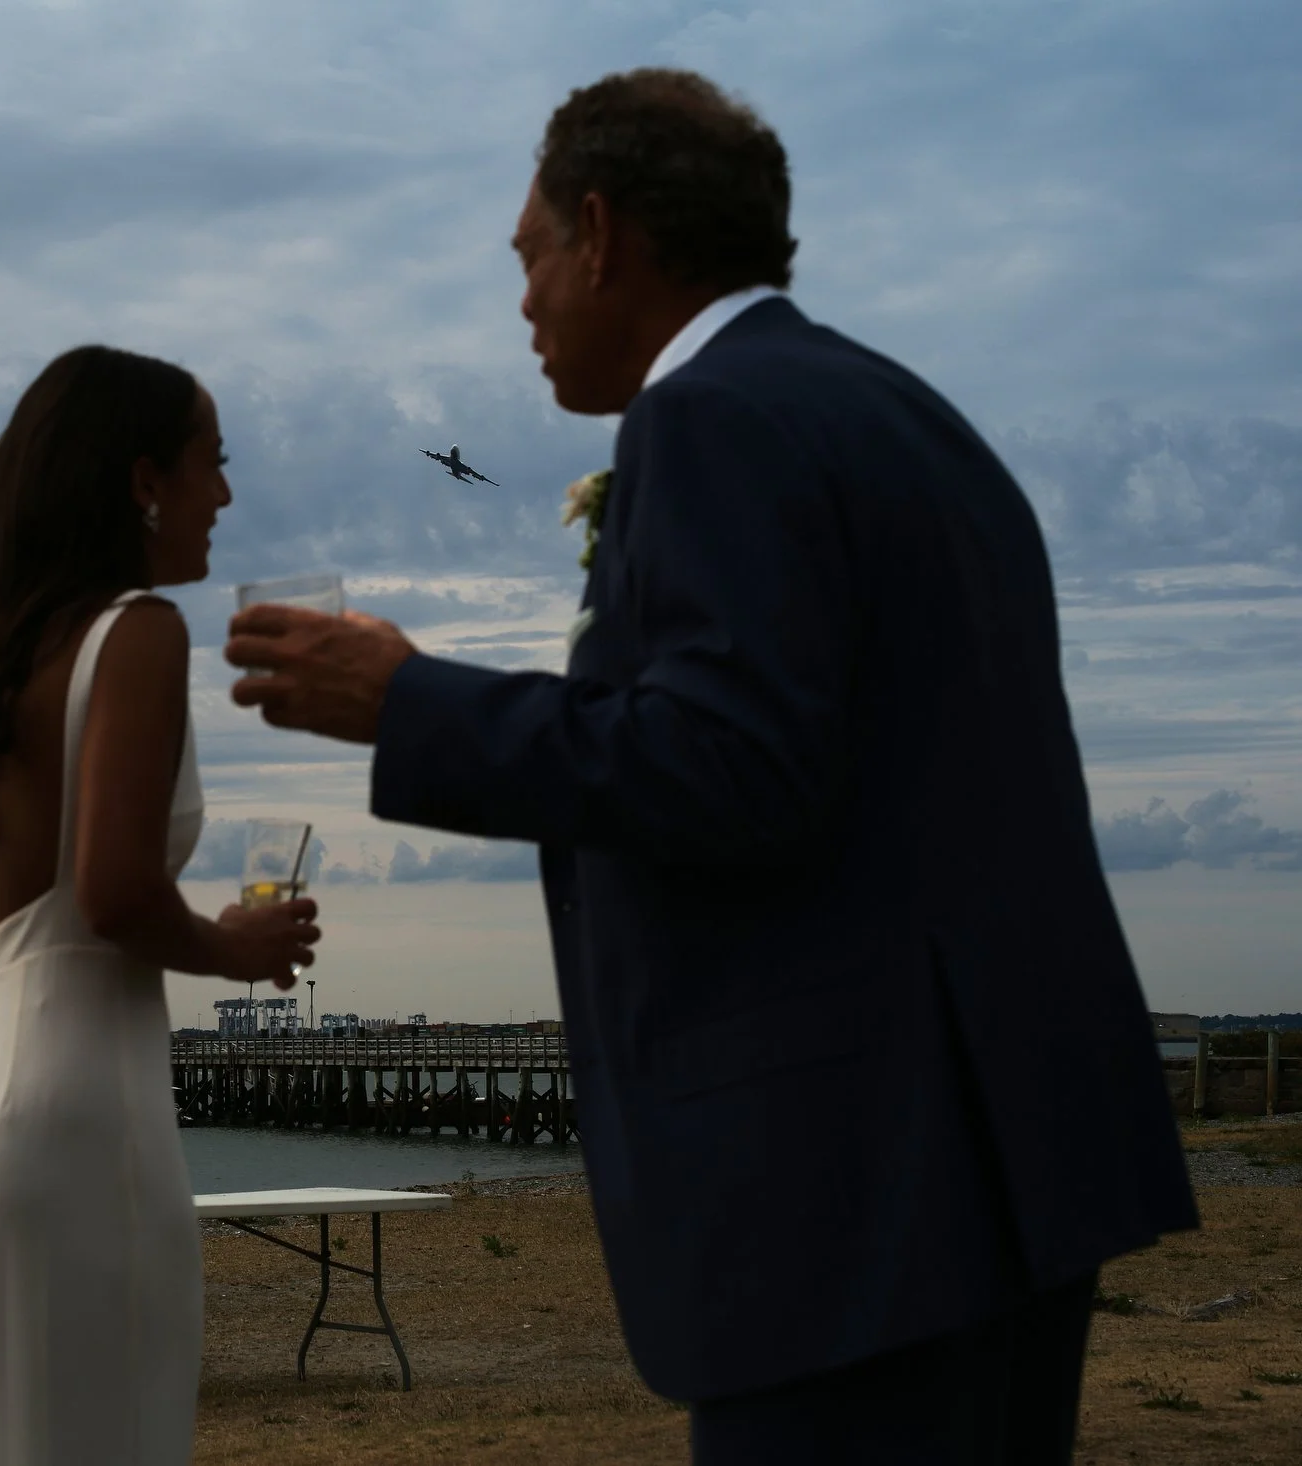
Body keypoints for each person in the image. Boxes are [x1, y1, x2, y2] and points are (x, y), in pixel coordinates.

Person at [224, 69, 1196, 1463]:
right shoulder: (915, 420)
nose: (523, 303)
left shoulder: (708, 420)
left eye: (529, 257)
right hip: (1010, 1163)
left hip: (849, 1188)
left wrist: (410, 701)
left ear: (604, 232)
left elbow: (733, 765)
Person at [0, 345, 320, 1465]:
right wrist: (235, 947)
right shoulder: (135, 631)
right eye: (210, 463)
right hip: (81, 1130)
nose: (223, 495)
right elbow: (117, 889)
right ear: (143, 478)